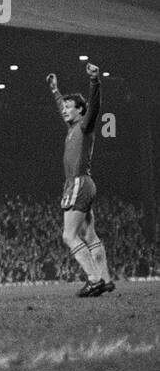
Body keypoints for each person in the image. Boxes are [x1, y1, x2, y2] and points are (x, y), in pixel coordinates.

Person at [46, 63, 113, 296]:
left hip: (78, 182)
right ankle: (105, 278)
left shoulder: (85, 125)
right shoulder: (73, 126)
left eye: (69, 107)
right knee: (88, 234)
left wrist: (95, 81)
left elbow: (94, 107)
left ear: (80, 111)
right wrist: (56, 90)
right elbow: (60, 106)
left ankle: (94, 279)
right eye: (64, 107)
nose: (64, 110)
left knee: (69, 235)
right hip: (84, 182)